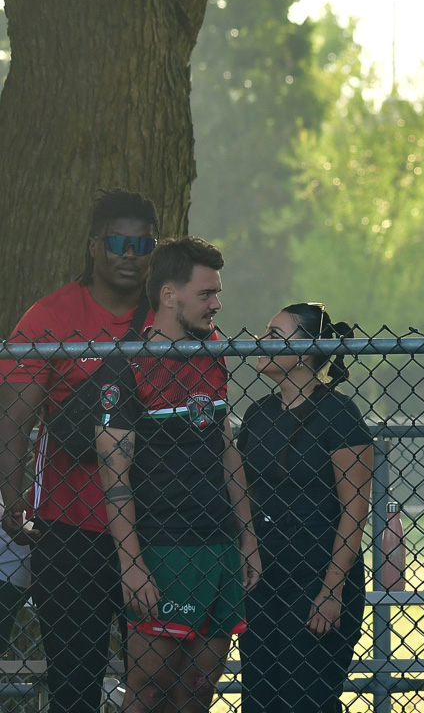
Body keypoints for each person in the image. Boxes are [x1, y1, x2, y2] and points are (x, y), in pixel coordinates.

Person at [0, 188, 157, 713]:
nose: (130, 255)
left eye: (142, 245)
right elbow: (14, 420)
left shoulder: (168, 315)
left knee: (155, 687)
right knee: (74, 687)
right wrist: (13, 496)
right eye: (118, 242)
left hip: (156, 527)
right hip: (69, 533)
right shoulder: (50, 316)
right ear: (95, 246)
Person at [94, 237, 258, 713]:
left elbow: (226, 449)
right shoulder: (125, 363)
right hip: (161, 547)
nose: (217, 303)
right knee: (148, 692)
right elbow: (113, 472)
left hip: (220, 544)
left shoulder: (212, 350)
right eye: (206, 293)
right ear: (169, 295)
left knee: (198, 692)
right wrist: (131, 562)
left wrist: (246, 538)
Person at [238, 303, 375, 713]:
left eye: (276, 336)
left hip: (317, 577)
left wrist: (332, 588)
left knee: (307, 699)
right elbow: (244, 491)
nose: (262, 342)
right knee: (260, 698)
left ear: (306, 350)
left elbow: (355, 510)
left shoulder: (338, 413)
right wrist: (247, 547)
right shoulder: (258, 412)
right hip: (262, 576)